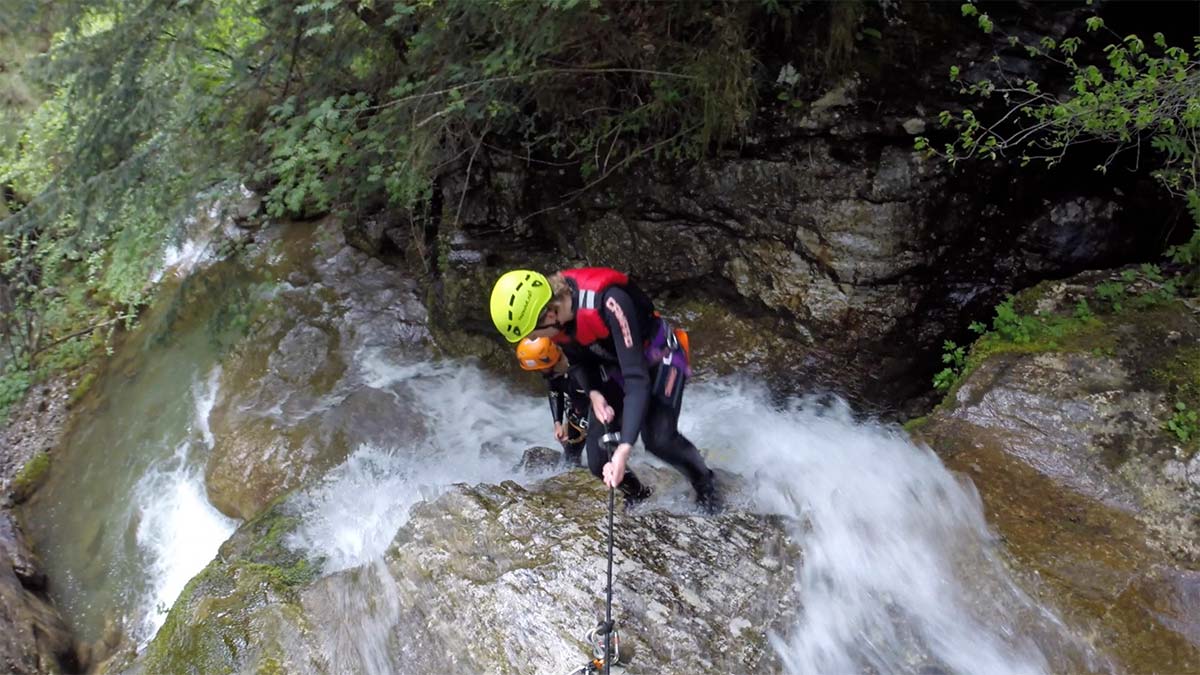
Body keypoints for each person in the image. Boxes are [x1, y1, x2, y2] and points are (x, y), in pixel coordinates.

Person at [490, 268, 722, 514]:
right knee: (599, 458)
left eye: (535, 334)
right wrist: (594, 393)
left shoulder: (608, 303)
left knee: (658, 439)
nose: (538, 339)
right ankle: (639, 495)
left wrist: (625, 448)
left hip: (658, 356)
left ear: (549, 314)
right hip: (615, 365)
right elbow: (578, 361)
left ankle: (706, 485)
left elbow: (636, 379)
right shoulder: (557, 320)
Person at [516, 336, 589, 466]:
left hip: (597, 408)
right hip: (577, 411)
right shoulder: (554, 372)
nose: (538, 371)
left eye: (539, 368)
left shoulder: (578, 367)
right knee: (571, 456)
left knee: (605, 452)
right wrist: (558, 423)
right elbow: (555, 391)